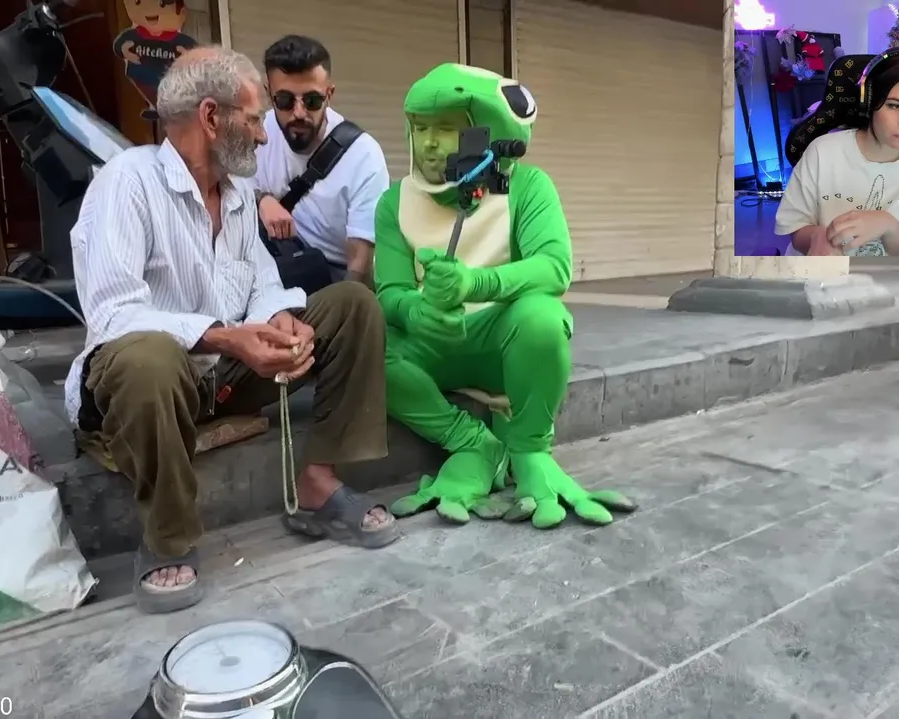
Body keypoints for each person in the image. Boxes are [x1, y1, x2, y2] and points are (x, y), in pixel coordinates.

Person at [63, 46, 398, 615]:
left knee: (352, 305)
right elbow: (112, 314)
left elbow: (261, 280)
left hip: (220, 378)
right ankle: (168, 536)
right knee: (148, 356)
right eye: (256, 118)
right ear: (211, 117)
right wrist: (223, 335)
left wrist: (278, 318)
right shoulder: (127, 182)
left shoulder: (238, 194)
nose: (265, 136)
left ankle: (318, 481)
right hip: (146, 388)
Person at [375, 63, 637, 529]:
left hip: (501, 341)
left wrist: (474, 284)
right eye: (420, 128)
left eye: (446, 129)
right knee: (366, 349)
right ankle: (472, 443)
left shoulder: (529, 187)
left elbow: (554, 267)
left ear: (485, 132)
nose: (429, 143)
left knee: (542, 318)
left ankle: (530, 450)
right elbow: (390, 292)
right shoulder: (393, 202)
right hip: (432, 347)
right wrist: (417, 311)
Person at [776, 49, 899, 256]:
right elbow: (796, 228)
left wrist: (890, 226)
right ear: (868, 101)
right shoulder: (822, 152)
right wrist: (816, 237)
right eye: (894, 106)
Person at [254, 35, 389, 287]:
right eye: (284, 100)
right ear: (269, 93)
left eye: (312, 101)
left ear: (329, 94)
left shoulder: (363, 156)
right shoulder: (260, 130)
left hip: (331, 280)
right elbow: (229, 186)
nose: (298, 113)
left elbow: (359, 267)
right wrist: (263, 200)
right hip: (268, 270)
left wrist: (343, 302)